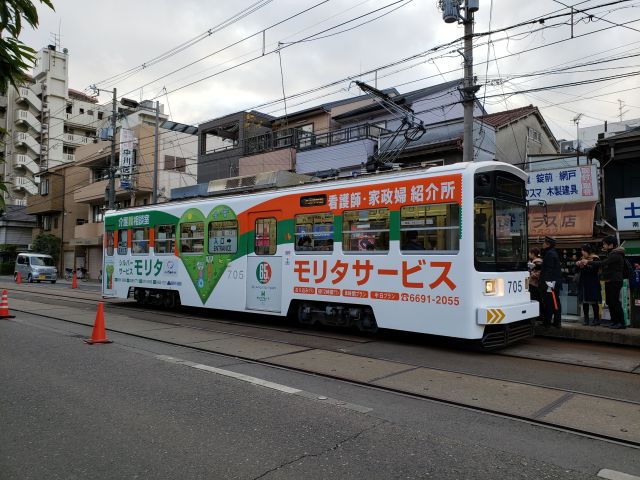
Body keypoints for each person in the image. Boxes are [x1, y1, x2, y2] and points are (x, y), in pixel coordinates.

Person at [581, 236, 626, 329]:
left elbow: (603, 263)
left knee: (615, 302)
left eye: (605, 244)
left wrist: (588, 262)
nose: (603, 245)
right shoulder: (611, 253)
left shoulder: (616, 254)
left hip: (615, 281)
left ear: (611, 245)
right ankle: (614, 321)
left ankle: (621, 323)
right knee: (610, 302)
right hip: (609, 280)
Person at [574, 244, 602, 326]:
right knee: (584, 302)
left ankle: (596, 319)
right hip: (583, 282)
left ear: (587, 251)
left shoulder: (595, 258)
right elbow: (576, 271)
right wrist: (577, 265)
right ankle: (586, 320)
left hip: (592, 282)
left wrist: (585, 265)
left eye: (583, 250)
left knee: (594, 301)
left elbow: (594, 270)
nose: (582, 252)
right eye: (582, 250)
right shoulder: (582, 259)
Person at [539, 236, 562, 328]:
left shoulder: (550, 254)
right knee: (555, 302)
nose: (542, 244)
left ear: (548, 244)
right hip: (553, 283)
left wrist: (548, 282)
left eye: (544, 243)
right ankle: (556, 322)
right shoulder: (552, 253)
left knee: (550, 303)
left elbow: (549, 269)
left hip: (550, 284)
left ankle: (548, 322)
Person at [527, 248, 543, 321]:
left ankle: (537, 316)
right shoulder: (535, 261)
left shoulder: (537, 262)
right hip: (534, 284)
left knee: (535, 299)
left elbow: (538, 274)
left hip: (534, 284)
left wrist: (530, 273)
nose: (529, 254)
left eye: (529, 253)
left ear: (533, 254)